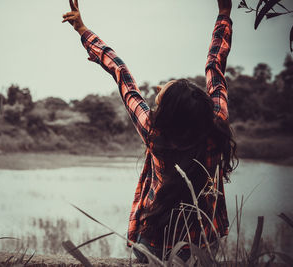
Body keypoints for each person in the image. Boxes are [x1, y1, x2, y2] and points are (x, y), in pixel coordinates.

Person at [62, 0, 238, 263]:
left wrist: (83, 30)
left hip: (154, 242)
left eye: (160, 94)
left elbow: (121, 74)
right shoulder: (216, 124)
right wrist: (224, 14)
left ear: (166, 114)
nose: (156, 88)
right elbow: (215, 64)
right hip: (201, 243)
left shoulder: (154, 133)